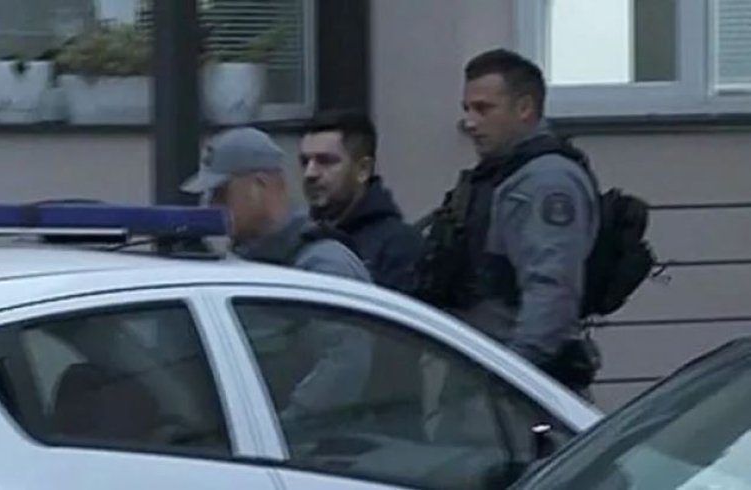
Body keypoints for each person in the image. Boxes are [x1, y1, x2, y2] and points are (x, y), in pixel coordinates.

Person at [419, 48, 601, 396]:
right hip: (489, 372)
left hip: (518, 385)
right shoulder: (503, 175)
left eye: (483, 109)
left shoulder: (545, 181)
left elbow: (551, 290)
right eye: (467, 109)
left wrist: (514, 376)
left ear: (524, 108)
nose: (470, 122)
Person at [180, 126, 374, 422]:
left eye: (221, 193)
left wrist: (285, 426)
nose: (211, 205)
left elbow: (344, 366)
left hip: (312, 442)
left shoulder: (324, 267)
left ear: (259, 186)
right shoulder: (242, 260)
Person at [300, 109, 424, 295]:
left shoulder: (398, 247)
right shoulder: (300, 238)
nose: (310, 173)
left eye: (325, 161)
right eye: (305, 162)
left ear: (363, 169)